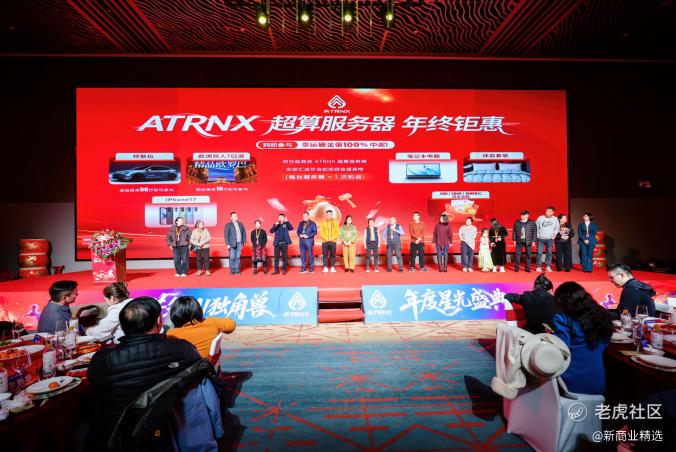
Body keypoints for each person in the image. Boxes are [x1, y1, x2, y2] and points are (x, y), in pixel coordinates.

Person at [87, 297, 201, 446]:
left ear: (122, 325)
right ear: (159, 321)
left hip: (116, 438)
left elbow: (95, 390)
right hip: (172, 431)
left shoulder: (102, 360)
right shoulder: (183, 349)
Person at [552, 282, 612, 395]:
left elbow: (560, 349)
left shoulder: (563, 319)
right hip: (598, 382)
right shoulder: (603, 316)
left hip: (570, 382)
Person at [167, 296, 236, 358]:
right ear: (198, 310)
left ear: (174, 314)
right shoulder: (212, 322)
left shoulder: (170, 335)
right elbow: (232, 325)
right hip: (210, 366)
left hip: (184, 367)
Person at [535, 206, 560, 273]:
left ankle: (548, 267)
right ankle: (538, 267)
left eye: (549, 211)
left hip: (550, 239)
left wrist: (554, 235)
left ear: (552, 212)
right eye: (546, 211)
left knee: (549, 253)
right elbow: (535, 227)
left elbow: (557, 227)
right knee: (539, 253)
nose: (547, 212)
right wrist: (537, 236)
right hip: (540, 239)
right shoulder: (540, 218)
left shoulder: (555, 219)